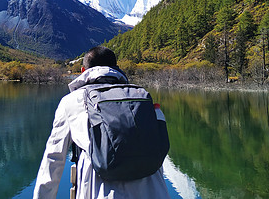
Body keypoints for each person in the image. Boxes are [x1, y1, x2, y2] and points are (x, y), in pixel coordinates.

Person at [33, 46, 170, 198]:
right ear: (116, 68)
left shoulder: (72, 101)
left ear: (83, 70)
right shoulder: (140, 96)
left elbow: (53, 159)